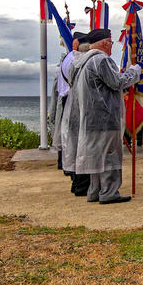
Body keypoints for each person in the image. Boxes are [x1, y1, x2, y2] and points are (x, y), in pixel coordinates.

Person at [72, 28, 142, 204]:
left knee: (96, 158)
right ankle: (109, 192)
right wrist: (135, 71)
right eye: (111, 42)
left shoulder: (84, 61)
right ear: (104, 43)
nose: (112, 46)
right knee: (110, 156)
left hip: (91, 119)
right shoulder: (101, 60)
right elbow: (117, 82)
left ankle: (95, 191)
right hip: (105, 118)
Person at [60, 33, 92, 196]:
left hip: (68, 101)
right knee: (82, 145)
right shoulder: (79, 61)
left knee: (73, 144)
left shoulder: (69, 58)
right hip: (78, 102)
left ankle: (76, 181)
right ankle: (81, 184)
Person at [48, 31, 85, 172]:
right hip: (71, 99)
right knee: (72, 134)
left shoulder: (67, 58)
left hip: (63, 99)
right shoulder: (75, 60)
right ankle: (68, 165)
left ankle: (62, 162)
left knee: (65, 132)